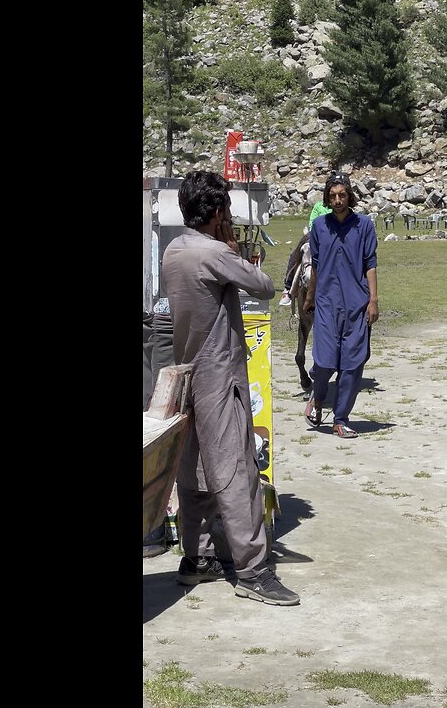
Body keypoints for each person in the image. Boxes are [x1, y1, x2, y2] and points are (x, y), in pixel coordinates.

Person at [161, 170, 300, 606]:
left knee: (195, 470)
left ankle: (197, 557)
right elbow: (264, 285)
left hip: (186, 374)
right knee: (237, 474)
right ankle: (253, 569)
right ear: (219, 212)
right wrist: (232, 248)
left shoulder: (174, 250)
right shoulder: (213, 253)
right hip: (220, 377)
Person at [302, 173, 379, 439]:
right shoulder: (320, 227)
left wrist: (373, 300)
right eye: (333, 195)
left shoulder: (364, 225)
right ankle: (319, 397)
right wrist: (310, 297)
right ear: (327, 197)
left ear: (349, 195)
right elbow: (316, 266)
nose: (337, 200)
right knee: (323, 361)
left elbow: (370, 263)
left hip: (357, 304)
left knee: (352, 364)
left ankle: (341, 418)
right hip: (326, 303)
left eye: (342, 195)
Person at [279, 198, 331, 307]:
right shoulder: (318, 206)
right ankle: (288, 289)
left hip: (333, 238)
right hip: (315, 235)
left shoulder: (340, 208)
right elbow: (312, 222)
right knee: (295, 254)